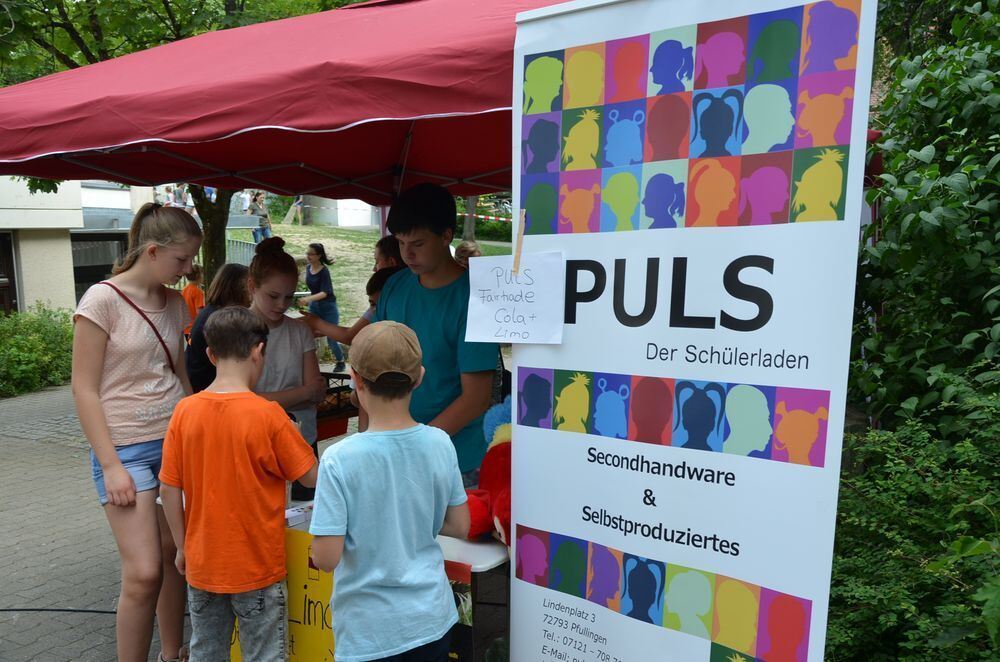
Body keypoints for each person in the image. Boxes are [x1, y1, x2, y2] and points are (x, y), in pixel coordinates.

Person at [71, 202, 202, 662]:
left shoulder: (172, 303)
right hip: (123, 450)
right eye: (181, 261)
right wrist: (110, 466)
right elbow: (84, 389)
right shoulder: (101, 300)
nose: (189, 271)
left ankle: (172, 652)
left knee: (174, 560)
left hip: (172, 445)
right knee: (144, 572)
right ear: (151, 251)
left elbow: (179, 376)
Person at [159, 307, 318, 662]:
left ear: (211, 354)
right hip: (257, 566)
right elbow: (311, 476)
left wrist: (183, 548)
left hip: (202, 564)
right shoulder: (268, 415)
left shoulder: (184, 411)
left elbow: (169, 489)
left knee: (206, 651)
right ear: (259, 351)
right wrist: (295, 438)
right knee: (263, 655)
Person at [310, 321, 471, 662]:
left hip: (370, 633)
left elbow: (326, 558)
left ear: (355, 379)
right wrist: (410, 513)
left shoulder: (339, 459)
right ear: (420, 377)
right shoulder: (440, 443)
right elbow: (459, 525)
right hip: (432, 619)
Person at [376, 184, 499, 486]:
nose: (407, 253)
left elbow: (476, 398)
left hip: (456, 462)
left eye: (417, 243)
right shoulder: (395, 287)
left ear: (446, 236)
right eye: (401, 243)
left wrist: (415, 446)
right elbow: (374, 370)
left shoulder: (474, 296)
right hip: (396, 451)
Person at [249, 238, 326, 500]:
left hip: (302, 440)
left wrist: (265, 400)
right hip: (256, 443)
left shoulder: (300, 330)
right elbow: (242, 401)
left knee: (306, 520)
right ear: (252, 286)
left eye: (289, 297)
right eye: (273, 296)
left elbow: (316, 393)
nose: (282, 304)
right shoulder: (238, 331)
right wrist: (301, 392)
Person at [185, 263, 251, 393]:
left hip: (197, 381)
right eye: (250, 287)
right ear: (238, 289)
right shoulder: (223, 319)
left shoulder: (212, 310)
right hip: (206, 386)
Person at [299, 243, 346, 373]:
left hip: (328, 307)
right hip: (315, 307)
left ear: (319, 255)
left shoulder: (324, 271)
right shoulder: (308, 269)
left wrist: (308, 299)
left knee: (331, 338)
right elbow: (307, 281)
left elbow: (325, 292)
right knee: (308, 334)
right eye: (307, 253)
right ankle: (309, 363)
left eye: (311, 254)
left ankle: (340, 361)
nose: (308, 256)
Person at [180, 264, 205, 339]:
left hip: (186, 329)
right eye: (202, 273)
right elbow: (200, 312)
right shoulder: (198, 292)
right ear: (198, 275)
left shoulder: (184, 290)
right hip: (196, 329)